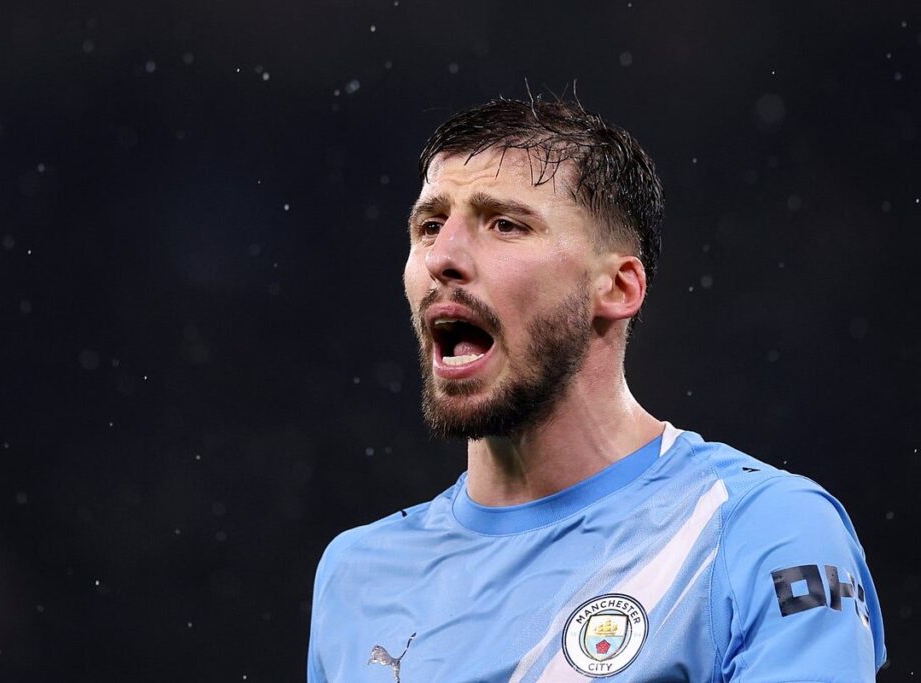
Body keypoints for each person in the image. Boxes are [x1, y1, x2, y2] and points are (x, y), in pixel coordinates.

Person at [306, 94, 886, 682]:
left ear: (616, 287)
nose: (443, 257)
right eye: (430, 226)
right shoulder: (357, 576)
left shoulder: (759, 531)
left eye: (505, 224)